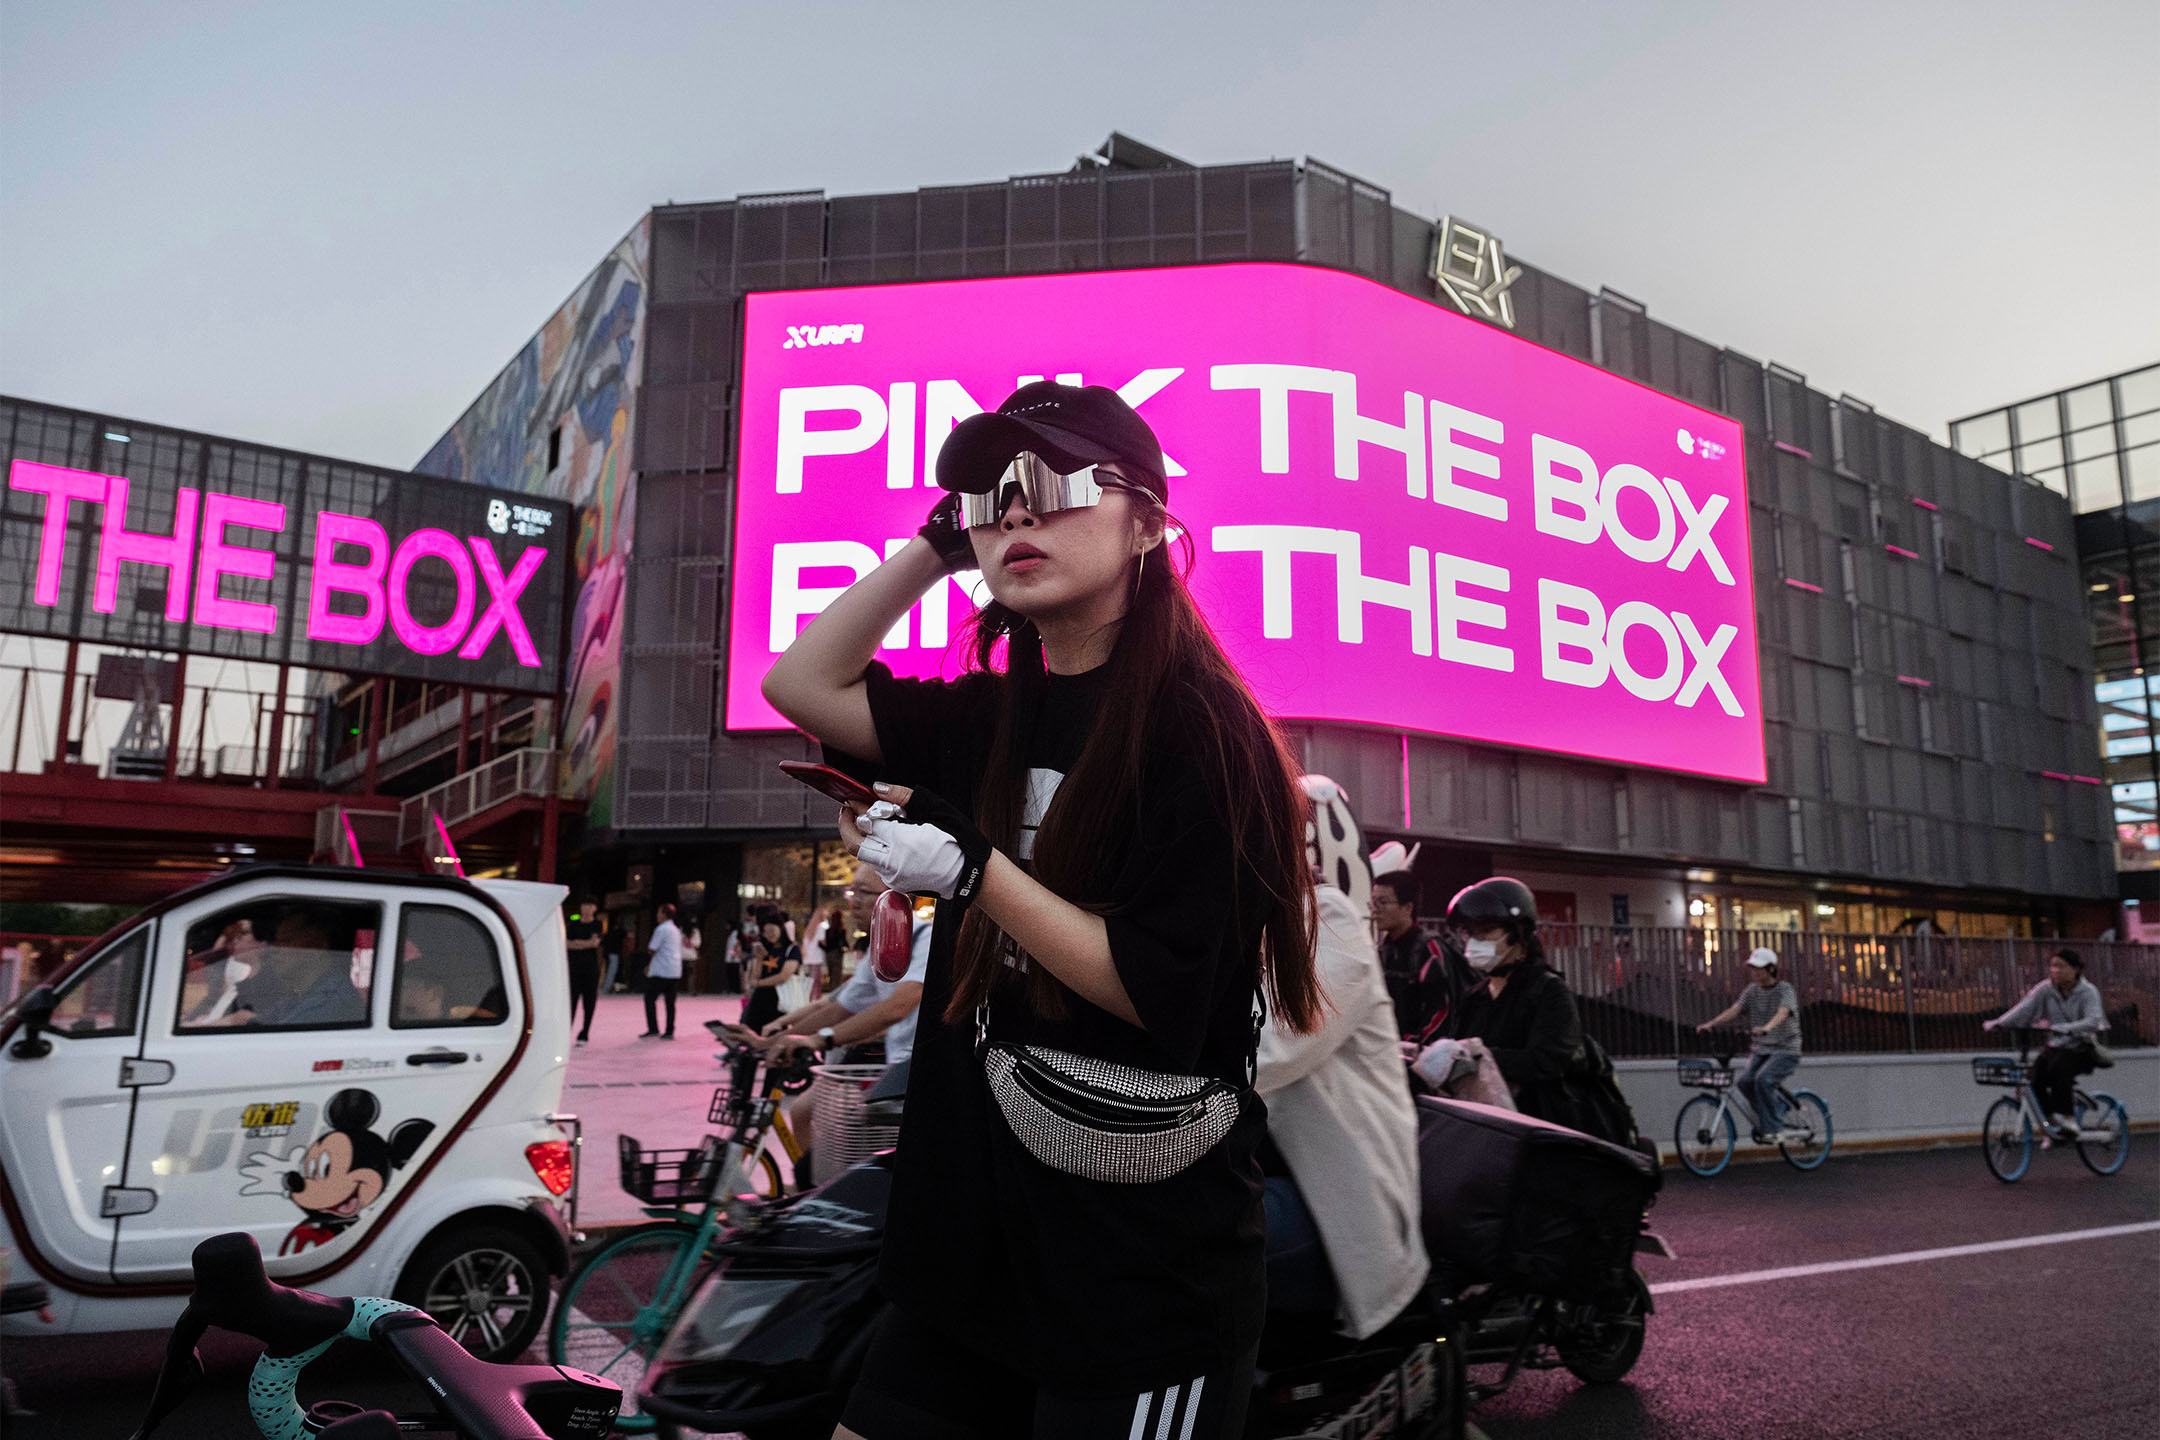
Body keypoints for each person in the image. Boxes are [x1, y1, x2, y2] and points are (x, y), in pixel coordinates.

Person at [762, 381, 1320, 1440]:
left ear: (1150, 520)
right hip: (960, 1257)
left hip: (1136, 1281)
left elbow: (1151, 983)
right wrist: (937, 541)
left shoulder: (1210, 735)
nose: (1016, 515)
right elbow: (803, 682)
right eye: (990, 496)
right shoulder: (986, 713)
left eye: (1055, 484)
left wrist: (972, 871)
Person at [1255, 776, 1428, 1338]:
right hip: (1284, 1168)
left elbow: (1271, 1051)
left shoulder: (1328, 922)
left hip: (1338, 1192)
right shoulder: (1270, 929)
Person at [744, 865, 934, 1157]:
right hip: (897, 1068)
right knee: (810, 1120)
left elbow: (897, 1007)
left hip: (918, 1073)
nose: (853, 900)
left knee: (843, 1147)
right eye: (852, 891)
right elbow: (837, 1007)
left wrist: (822, 1039)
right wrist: (775, 1041)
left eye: (865, 892)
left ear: (897, 899)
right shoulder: (880, 948)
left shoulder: (924, 938)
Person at [1435, 878, 1584, 1128]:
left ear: (1518, 934)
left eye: (1485, 932)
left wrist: (1481, 1056)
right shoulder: (1475, 996)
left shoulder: (1549, 991)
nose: (1474, 942)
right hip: (1485, 1127)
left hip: (1537, 1130)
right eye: (1470, 933)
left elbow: (1546, 1062)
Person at [1985, 949, 2107, 1140]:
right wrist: (1999, 1023)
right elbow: (2024, 1008)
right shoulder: (2046, 989)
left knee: (2060, 1068)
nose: (2055, 971)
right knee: (2033, 1079)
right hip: (2056, 1046)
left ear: (2075, 969)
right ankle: (2051, 1122)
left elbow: (2094, 1020)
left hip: (2081, 1047)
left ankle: (2069, 1119)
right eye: (2053, 966)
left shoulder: (2088, 991)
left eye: (2061, 966)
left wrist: (2068, 1028)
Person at [1698, 947, 1802, 1142]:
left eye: (1758, 968)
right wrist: (1711, 1024)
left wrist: (1767, 1027)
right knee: (1745, 1082)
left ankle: (1774, 1128)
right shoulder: (1752, 991)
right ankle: (1775, 1110)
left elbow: (1783, 1012)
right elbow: (1734, 1010)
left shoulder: (1785, 989)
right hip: (1762, 1048)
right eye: (1752, 968)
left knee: (1763, 1080)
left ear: (1771, 969)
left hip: (1786, 1049)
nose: (1754, 972)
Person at [1371, 869, 1471, 1044]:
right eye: (1373, 902)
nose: (1375, 910)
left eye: (1383, 902)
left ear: (1408, 907)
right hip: (1388, 1053)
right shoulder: (1383, 950)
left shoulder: (1429, 949)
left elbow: (1442, 1010)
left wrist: (1415, 1045)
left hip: (1419, 1059)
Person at [224, 909, 366, 1028]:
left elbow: (276, 1040)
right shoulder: (307, 993)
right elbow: (255, 1021)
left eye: (285, 942)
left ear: (317, 946)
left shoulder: (329, 1002)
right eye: (275, 942)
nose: (274, 950)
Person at [740, 919, 801, 1034]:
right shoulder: (765, 949)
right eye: (766, 932)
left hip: (781, 999)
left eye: (772, 930)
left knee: (775, 1033)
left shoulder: (792, 949)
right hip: (760, 998)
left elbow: (784, 976)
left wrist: (759, 983)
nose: (770, 934)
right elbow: (755, 976)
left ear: (781, 929)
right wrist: (759, 958)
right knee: (750, 1028)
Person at [640, 903, 682, 1040]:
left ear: (664, 914)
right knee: (670, 1002)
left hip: (661, 970)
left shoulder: (661, 929)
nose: (657, 915)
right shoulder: (675, 930)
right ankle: (669, 1030)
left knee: (649, 999)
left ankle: (653, 1028)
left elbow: (652, 948)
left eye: (659, 912)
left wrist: (648, 965)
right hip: (674, 970)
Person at [565, 898, 602, 1044]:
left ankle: (585, 1031)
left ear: (594, 908)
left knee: (589, 1001)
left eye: (589, 905)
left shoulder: (597, 924)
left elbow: (595, 943)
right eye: (584, 904)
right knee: (571, 1001)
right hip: (573, 968)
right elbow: (566, 943)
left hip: (590, 968)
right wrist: (584, 943)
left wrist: (577, 943)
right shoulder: (573, 925)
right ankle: (567, 1031)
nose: (586, 908)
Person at [601, 919, 627, 994]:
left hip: (608, 953)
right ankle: (607, 987)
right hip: (614, 953)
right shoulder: (618, 933)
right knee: (612, 970)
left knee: (609, 969)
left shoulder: (608, 933)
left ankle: (608, 986)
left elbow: (603, 943)